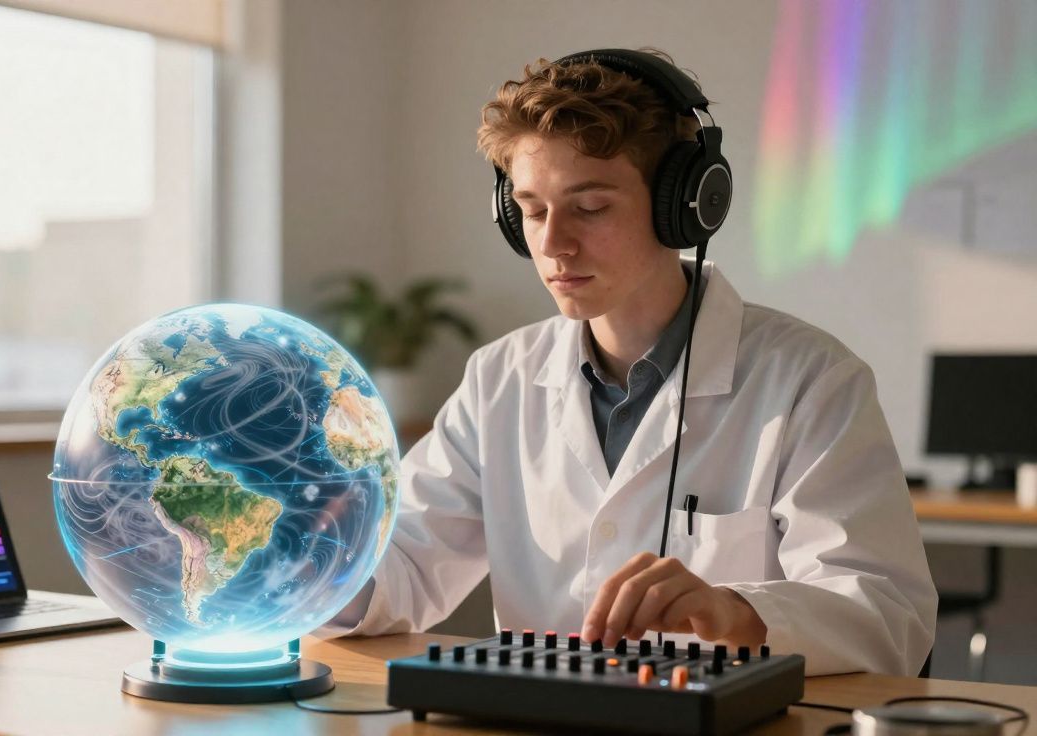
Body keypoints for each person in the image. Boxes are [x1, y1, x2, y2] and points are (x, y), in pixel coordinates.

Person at [316, 48, 936, 676]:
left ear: (684, 205)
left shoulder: (809, 380)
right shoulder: (499, 378)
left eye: (590, 207)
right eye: (532, 210)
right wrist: (310, 556)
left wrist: (736, 613)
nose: (553, 243)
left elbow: (887, 615)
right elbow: (407, 569)